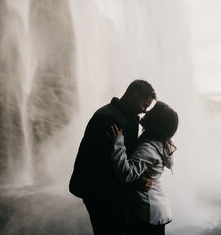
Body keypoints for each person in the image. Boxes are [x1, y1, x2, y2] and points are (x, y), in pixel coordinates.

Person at [69, 80, 157, 235]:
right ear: (133, 96)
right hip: (100, 193)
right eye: (144, 105)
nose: (144, 111)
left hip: (111, 191)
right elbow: (102, 165)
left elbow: (125, 155)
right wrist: (136, 181)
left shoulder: (126, 116)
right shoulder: (108, 119)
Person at [109, 101, 178, 235]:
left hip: (147, 212)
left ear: (155, 121)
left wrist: (118, 142)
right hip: (156, 209)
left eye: (151, 111)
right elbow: (170, 164)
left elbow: (126, 174)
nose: (146, 112)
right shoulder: (163, 144)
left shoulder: (148, 148)